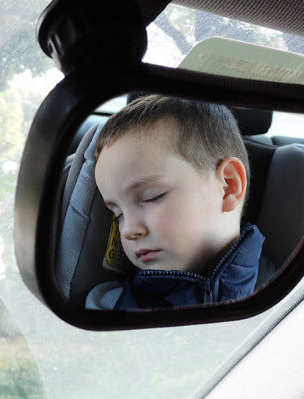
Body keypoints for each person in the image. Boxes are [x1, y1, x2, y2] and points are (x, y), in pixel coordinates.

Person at [85, 95, 267, 309]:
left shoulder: (286, 293)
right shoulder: (111, 306)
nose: (128, 231)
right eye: (118, 215)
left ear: (228, 187)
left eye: (152, 197)